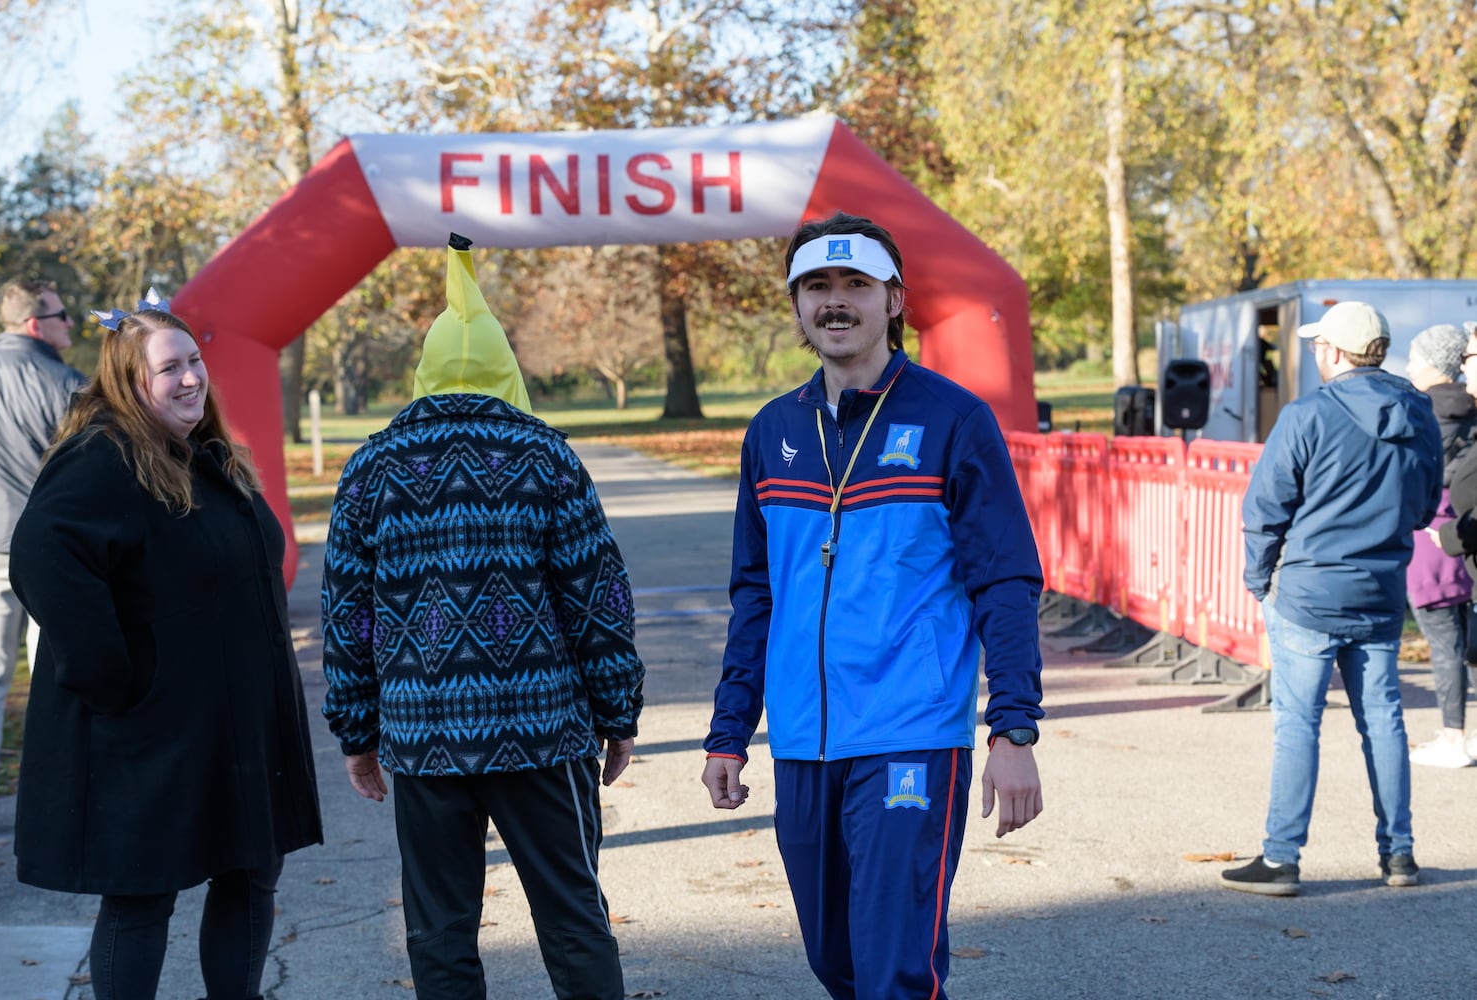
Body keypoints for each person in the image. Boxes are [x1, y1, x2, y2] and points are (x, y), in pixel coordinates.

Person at [701, 212, 1044, 998]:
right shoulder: (772, 431)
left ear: (895, 300)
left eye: (857, 284)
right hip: (802, 740)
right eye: (818, 285)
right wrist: (730, 730)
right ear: (795, 307)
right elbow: (754, 594)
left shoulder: (952, 419)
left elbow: (1006, 579)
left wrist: (1013, 726)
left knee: (895, 970)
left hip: (909, 733)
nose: (836, 301)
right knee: (838, 965)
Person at [321, 233, 644, 1000]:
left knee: (439, 927)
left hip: (425, 738)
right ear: (508, 369)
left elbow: (346, 617)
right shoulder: (546, 455)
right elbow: (598, 597)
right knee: (572, 916)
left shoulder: (370, 467)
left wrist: (357, 733)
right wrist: (618, 713)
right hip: (541, 735)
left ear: (423, 372)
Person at [7, 293, 323, 999]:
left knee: (249, 871)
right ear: (128, 381)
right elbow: (42, 554)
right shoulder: (104, 455)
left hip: (237, 722)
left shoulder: (204, 453)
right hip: (154, 725)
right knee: (142, 893)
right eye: (168, 368)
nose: (190, 379)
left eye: (194, 361)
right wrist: (115, 677)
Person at [1225, 300, 1442, 897]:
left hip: (1308, 594)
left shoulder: (1308, 414)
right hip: (1379, 593)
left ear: (1334, 352)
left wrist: (1258, 580)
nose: (1316, 353)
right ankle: (1399, 855)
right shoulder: (1418, 413)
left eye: (1320, 345)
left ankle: (1282, 858)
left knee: (1298, 725)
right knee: (1384, 721)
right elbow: (1426, 506)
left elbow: (1264, 510)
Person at [0, 278, 84, 840]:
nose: (72, 322)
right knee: (56, 677)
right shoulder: (67, 385)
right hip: (50, 551)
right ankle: (55, 801)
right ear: (34, 324)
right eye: (62, 313)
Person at [1402, 324, 1477, 768]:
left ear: (1435, 364)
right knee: (1459, 637)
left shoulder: (1419, 412)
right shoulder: (1471, 408)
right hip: (1462, 534)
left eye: (1415, 358)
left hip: (1436, 533)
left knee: (1443, 640)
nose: (1410, 367)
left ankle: (1454, 737)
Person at [1431, 323, 1477, 764]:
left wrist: (1447, 535)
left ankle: (1454, 737)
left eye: (1471, 358)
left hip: (1453, 544)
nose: (1464, 369)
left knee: (1450, 641)